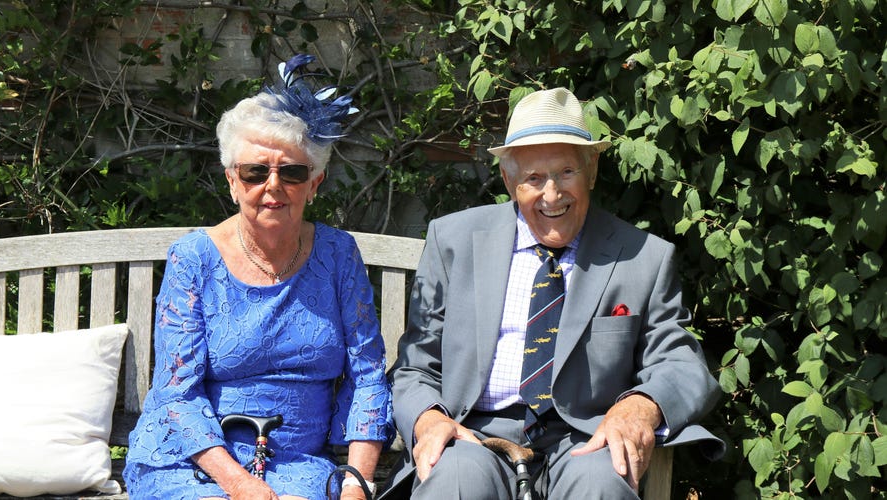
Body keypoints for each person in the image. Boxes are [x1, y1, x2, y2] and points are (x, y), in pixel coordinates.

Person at [382, 87, 723, 499]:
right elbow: (415, 366)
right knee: (453, 479)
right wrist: (429, 419)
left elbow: (680, 363)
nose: (552, 194)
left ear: (591, 170)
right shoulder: (453, 240)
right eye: (534, 178)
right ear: (509, 181)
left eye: (566, 172)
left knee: (602, 484)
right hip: (474, 434)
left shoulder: (643, 257)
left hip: (584, 439)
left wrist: (640, 408)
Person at [123, 54, 391, 500]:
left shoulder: (338, 254)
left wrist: (356, 482)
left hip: (297, 463)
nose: (273, 185)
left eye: (292, 172)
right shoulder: (193, 259)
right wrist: (240, 484)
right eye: (255, 172)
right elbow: (177, 394)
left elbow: (367, 376)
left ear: (314, 183)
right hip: (193, 461)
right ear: (232, 181)